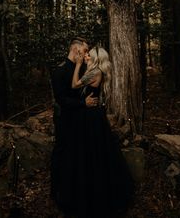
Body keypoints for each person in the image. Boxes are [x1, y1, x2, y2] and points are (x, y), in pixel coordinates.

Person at [72, 46, 135, 218]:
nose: (85, 56)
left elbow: (74, 84)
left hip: (92, 117)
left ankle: (100, 195)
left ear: (94, 58)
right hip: (92, 115)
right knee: (96, 150)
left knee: (96, 151)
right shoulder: (94, 70)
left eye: (88, 54)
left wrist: (78, 65)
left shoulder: (95, 72)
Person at [50, 37, 99, 216]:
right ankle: (58, 193)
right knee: (62, 153)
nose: (86, 54)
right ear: (76, 49)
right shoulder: (60, 71)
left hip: (83, 121)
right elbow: (61, 99)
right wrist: (82, 104)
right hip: (66, 121)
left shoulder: (85, 68)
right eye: (84, 50)